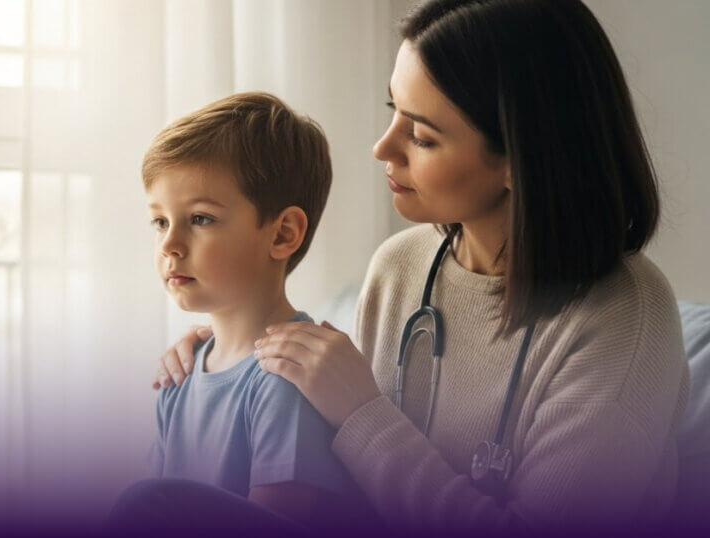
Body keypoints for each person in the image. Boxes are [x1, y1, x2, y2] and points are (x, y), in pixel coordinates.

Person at [145, 0, 691, 533]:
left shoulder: (624, 319)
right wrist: (222, 357)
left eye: (423, 136)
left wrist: (362, 415)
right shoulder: (399, 268)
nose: (384, 148)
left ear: (518, 160)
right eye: (393, 113)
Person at [108, 92, 373, 534]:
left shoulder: (290, 376)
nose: (169, 244)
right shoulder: (179, 377)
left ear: (283, 233)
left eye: (200, 219)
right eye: (160, 221)